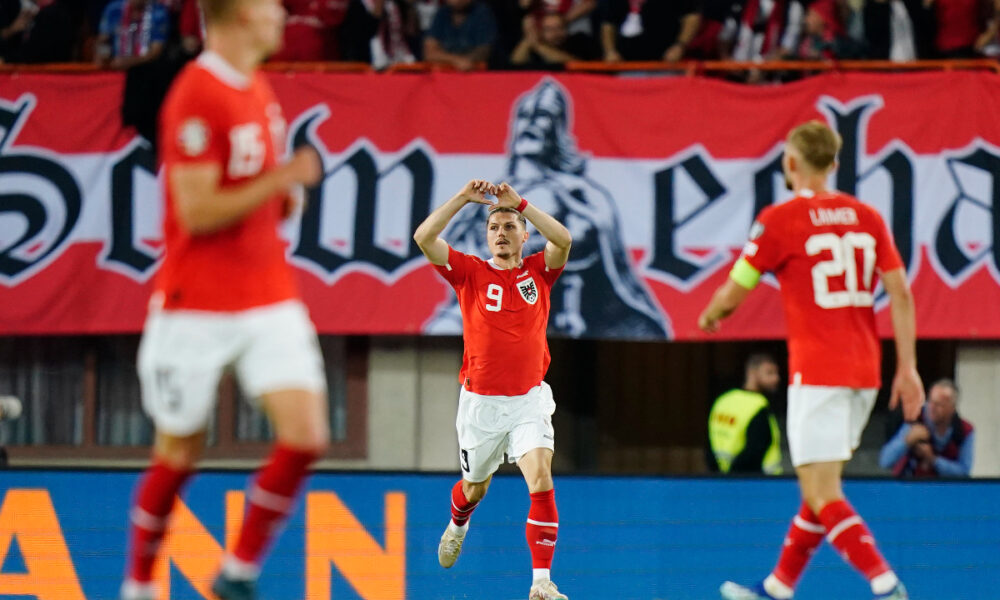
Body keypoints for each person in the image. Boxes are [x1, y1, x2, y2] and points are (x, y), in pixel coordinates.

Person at [119, 1, 328, 599]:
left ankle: (237, 572)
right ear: (238, 16)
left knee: (307, 434)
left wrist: (281, 200)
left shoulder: (258, 85)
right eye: (269, 5)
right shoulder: (195, 94)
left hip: (267, 296)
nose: (282, 14)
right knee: (180, 451)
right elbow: (198, 210)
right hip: (195, 304)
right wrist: (283, 179)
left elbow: (256, 186)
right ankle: (137, 585)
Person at [698, 120, 924, 600]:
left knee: (824, 494)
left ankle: (885, 585)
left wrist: (713, 313)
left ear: (792, 162)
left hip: (818, 371)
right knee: (818, 490)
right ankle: (778, 587)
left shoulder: (779, 220)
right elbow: (900, 292)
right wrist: (908, 367)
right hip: (865, 371)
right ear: (835, 163)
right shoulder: (867, 216)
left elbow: (738, 285)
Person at [413, 180, 572, 600]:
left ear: (524, 235)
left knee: (540, 477)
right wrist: (464, 199)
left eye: (509, 226)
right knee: (475, 489)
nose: (500, 233)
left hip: (528, 400)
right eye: (494, 228)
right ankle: (457, 524)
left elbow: (563, 239)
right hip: (481, 404)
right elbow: (424, 237)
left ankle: (541, 584)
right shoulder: (469, 273)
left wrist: (519, 203)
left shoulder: (539, 271)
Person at [879, 378, 974, 477]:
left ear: (952, 408)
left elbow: (964, 473)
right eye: (930, 401)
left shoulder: (965, 430)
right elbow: (884, 461)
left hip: (946, 489)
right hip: (912, 485)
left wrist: (933, 460)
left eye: (939, 404)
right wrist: (907, 441)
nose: (932, 408)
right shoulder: (916, 419)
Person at [707, 353, 784, 475]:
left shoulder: (723, 401)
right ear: (752, 373)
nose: (776, 378)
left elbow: (708, 446)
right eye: (769, 373)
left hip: (720, 479)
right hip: (757, 482)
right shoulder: (758, 406)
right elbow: (755, 450)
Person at [423, 0, 497, 70]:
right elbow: (430, 52)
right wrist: (456, 60)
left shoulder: (482, 13)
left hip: (477, 73)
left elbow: (485, 50)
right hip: (445, 74)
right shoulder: (442, 14)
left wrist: (467, 60)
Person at [96, 0, 169, 70]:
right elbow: (104, 40)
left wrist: (130, 62)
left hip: (147, 70)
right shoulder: (113, 9)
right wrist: (104, 57)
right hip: (116, 68)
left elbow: (155, 52)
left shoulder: (158, 12)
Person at [510, 11, 599, 67]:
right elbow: (513, 65)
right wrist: (528, 39)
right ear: (540, 32)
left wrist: (539, 46)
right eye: (549, 29)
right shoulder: (533, 44)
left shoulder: (579, 40)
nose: (555, 33)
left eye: (559, 28)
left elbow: (574, 65)